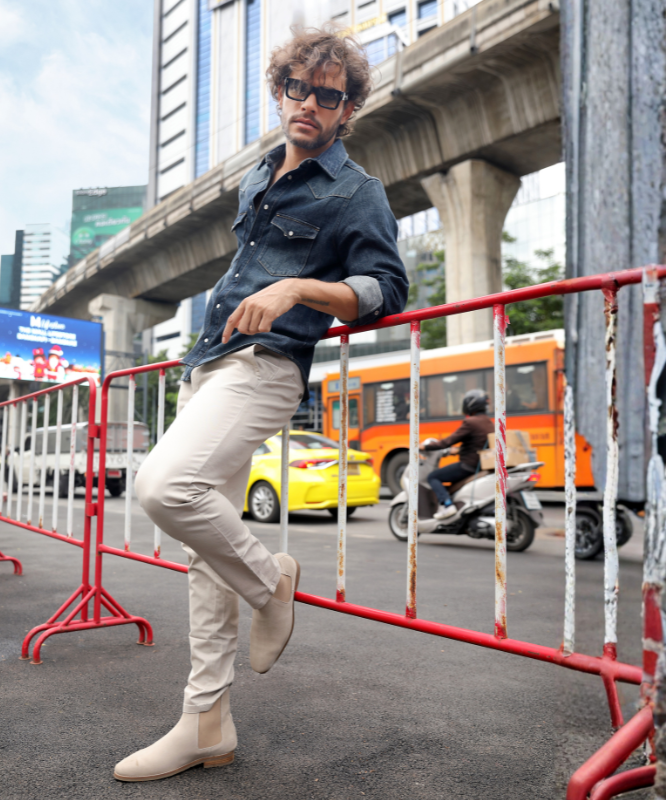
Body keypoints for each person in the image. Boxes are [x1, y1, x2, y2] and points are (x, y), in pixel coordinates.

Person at [114, 25, 409, 782]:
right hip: (209, 364)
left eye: (328, 94)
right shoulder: (259, 173)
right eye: (296, 87)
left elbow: (386, 290)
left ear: (348, 109)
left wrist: (299, 288)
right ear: (280, 90)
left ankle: (271, 581)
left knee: (161, 486)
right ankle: (205, 721)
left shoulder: (357, 192)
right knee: (201, 550)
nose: (309, 102)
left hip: (268, 367)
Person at [422, 389, 494, 520]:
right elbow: (477, 443)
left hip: (468, 465)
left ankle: (447, 505)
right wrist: (458, 451)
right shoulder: (488, 422)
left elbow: (447, 442)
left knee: (433, 477)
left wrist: (425, 446)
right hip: (481, 464)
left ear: (470, 405)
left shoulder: (471, 422)